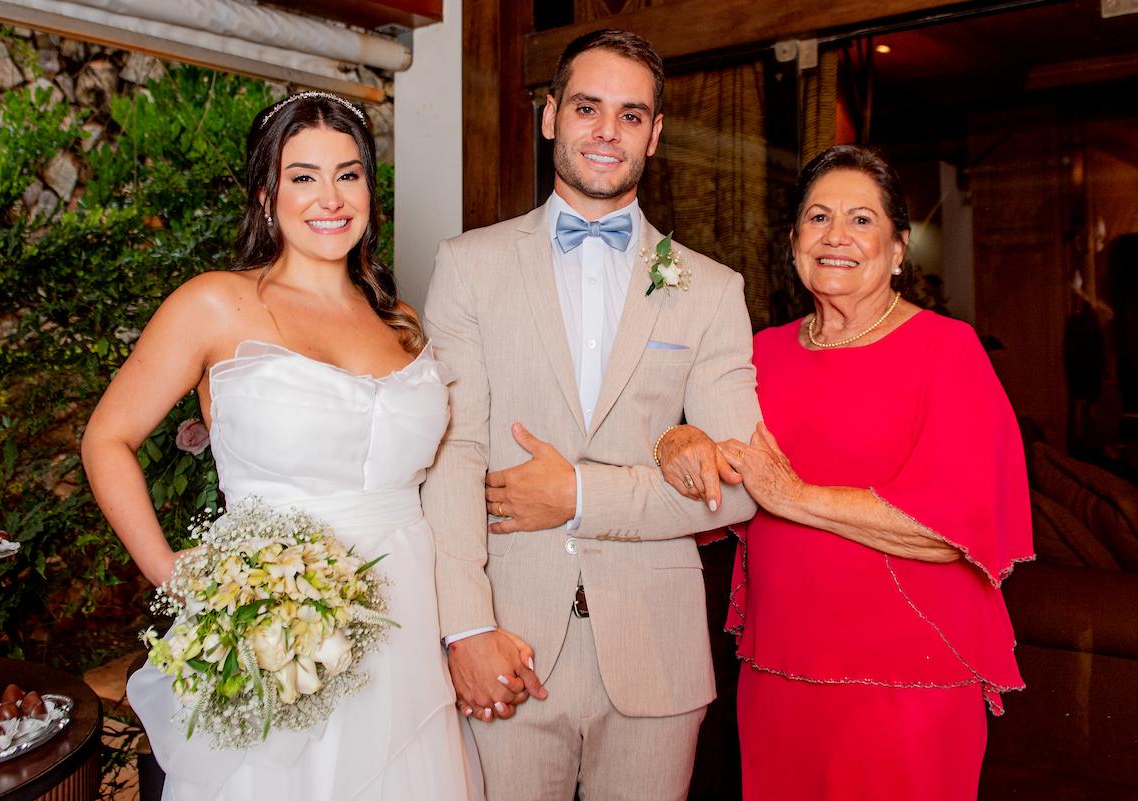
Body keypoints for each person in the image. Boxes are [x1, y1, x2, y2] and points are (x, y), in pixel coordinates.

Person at [81, 92, 482, 801]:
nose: (329, 197)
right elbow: (106, 440)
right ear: (267, 194)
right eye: (303, 176)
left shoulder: (402, 321)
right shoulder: (214, 304)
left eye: (348, 174)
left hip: (408, 623)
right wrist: (176, 575)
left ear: (370, 191)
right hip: (278, 637)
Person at [421, 29, 762, 801]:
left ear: (656, 133)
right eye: (587, 107)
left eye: (631, 115)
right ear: (549, 117)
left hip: (657, 657)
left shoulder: (711, 289)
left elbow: (740, 485)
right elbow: (454, 453)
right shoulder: (467, 266)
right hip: (508, 641)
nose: (608, 131)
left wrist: (579, 493)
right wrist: (466, 627)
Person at [660, 144, 1034, 801]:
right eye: (818, 217)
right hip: (777, 671)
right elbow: (714, 469)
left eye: (862, 220)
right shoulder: (761, 353)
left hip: (907, 683)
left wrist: (795, 495)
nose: (836, 235)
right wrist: (677, 438)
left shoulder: (948, 351)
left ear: (899, 248)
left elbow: (950, 527)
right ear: (795, 242)